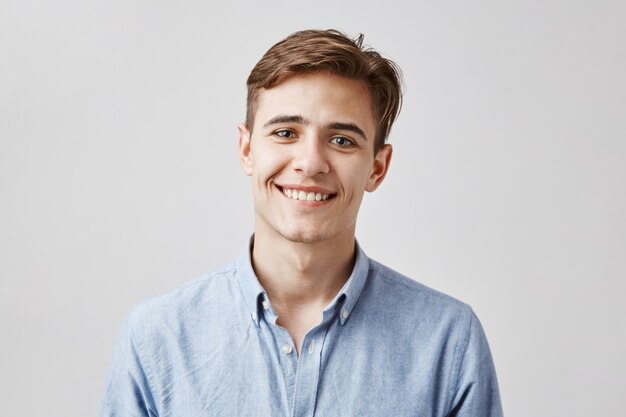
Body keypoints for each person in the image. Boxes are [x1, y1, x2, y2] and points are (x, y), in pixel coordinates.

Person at [100, 29, 503, 416]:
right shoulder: (156, 338)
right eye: (286, 132)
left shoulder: (448, 342)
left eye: (342, 140)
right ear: (246, 149)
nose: (310, 163)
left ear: (377, 168)